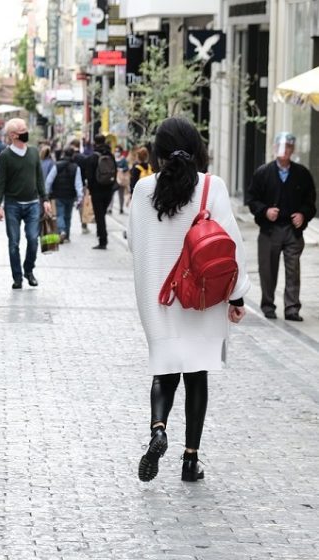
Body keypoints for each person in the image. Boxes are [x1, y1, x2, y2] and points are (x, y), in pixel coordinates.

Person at [128, 117, 250, 483]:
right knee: (197, 374)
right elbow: (232, 245)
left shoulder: (142, 188)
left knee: (164, 370)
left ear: (158, 151)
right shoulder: (213, 186)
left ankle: (158, 430)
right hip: (202, 296)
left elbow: (135, 243)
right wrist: (238, 295)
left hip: (159, 296)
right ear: (197, 147)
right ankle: (189, 459)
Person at [246, 132, 317, 321]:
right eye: (280, 146)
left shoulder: (302, 174)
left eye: (288, 147)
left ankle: (292, 308)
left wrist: (303, 214)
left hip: (292, 230)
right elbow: (252, 199)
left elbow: (310, 201)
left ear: (293, 149)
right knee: (267, 269)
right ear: (274, 147)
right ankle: (268, 305)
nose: (284, 151)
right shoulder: (263, 173)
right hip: (269, 230)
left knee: (293, 269)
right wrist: (264, 211)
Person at [0, 118, 51, 289]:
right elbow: (0, 181)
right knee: (14, 243)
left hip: (33, 203)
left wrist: (45, 199)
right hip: (12, 204)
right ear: (13, 135)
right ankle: (17, 277)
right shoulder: (5, 156)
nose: (26, 132)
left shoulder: (33, 152)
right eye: (22, 130)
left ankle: (29, 270)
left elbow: (40, 178)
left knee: (33, 239)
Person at [45, 147, 84, 243]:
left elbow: (49, 181)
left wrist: (46, 193)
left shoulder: (57, 165)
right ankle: (67, 236)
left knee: (59, 214)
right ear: (73, 155)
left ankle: (61, 231)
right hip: (70, 195)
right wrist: (80, 197)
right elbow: (78, 184)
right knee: (68, 215)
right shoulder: (76, 167)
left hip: (58, 194)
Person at [85, 134, 117, 249]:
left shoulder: (92, 157)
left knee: (99, 216)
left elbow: (89, 176)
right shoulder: (111, 155)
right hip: (108, 189)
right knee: (102, 214)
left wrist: (91, 189)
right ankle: (101, 236)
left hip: (97, 191)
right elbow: (115, 171)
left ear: (95, 142)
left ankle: (103, 240)